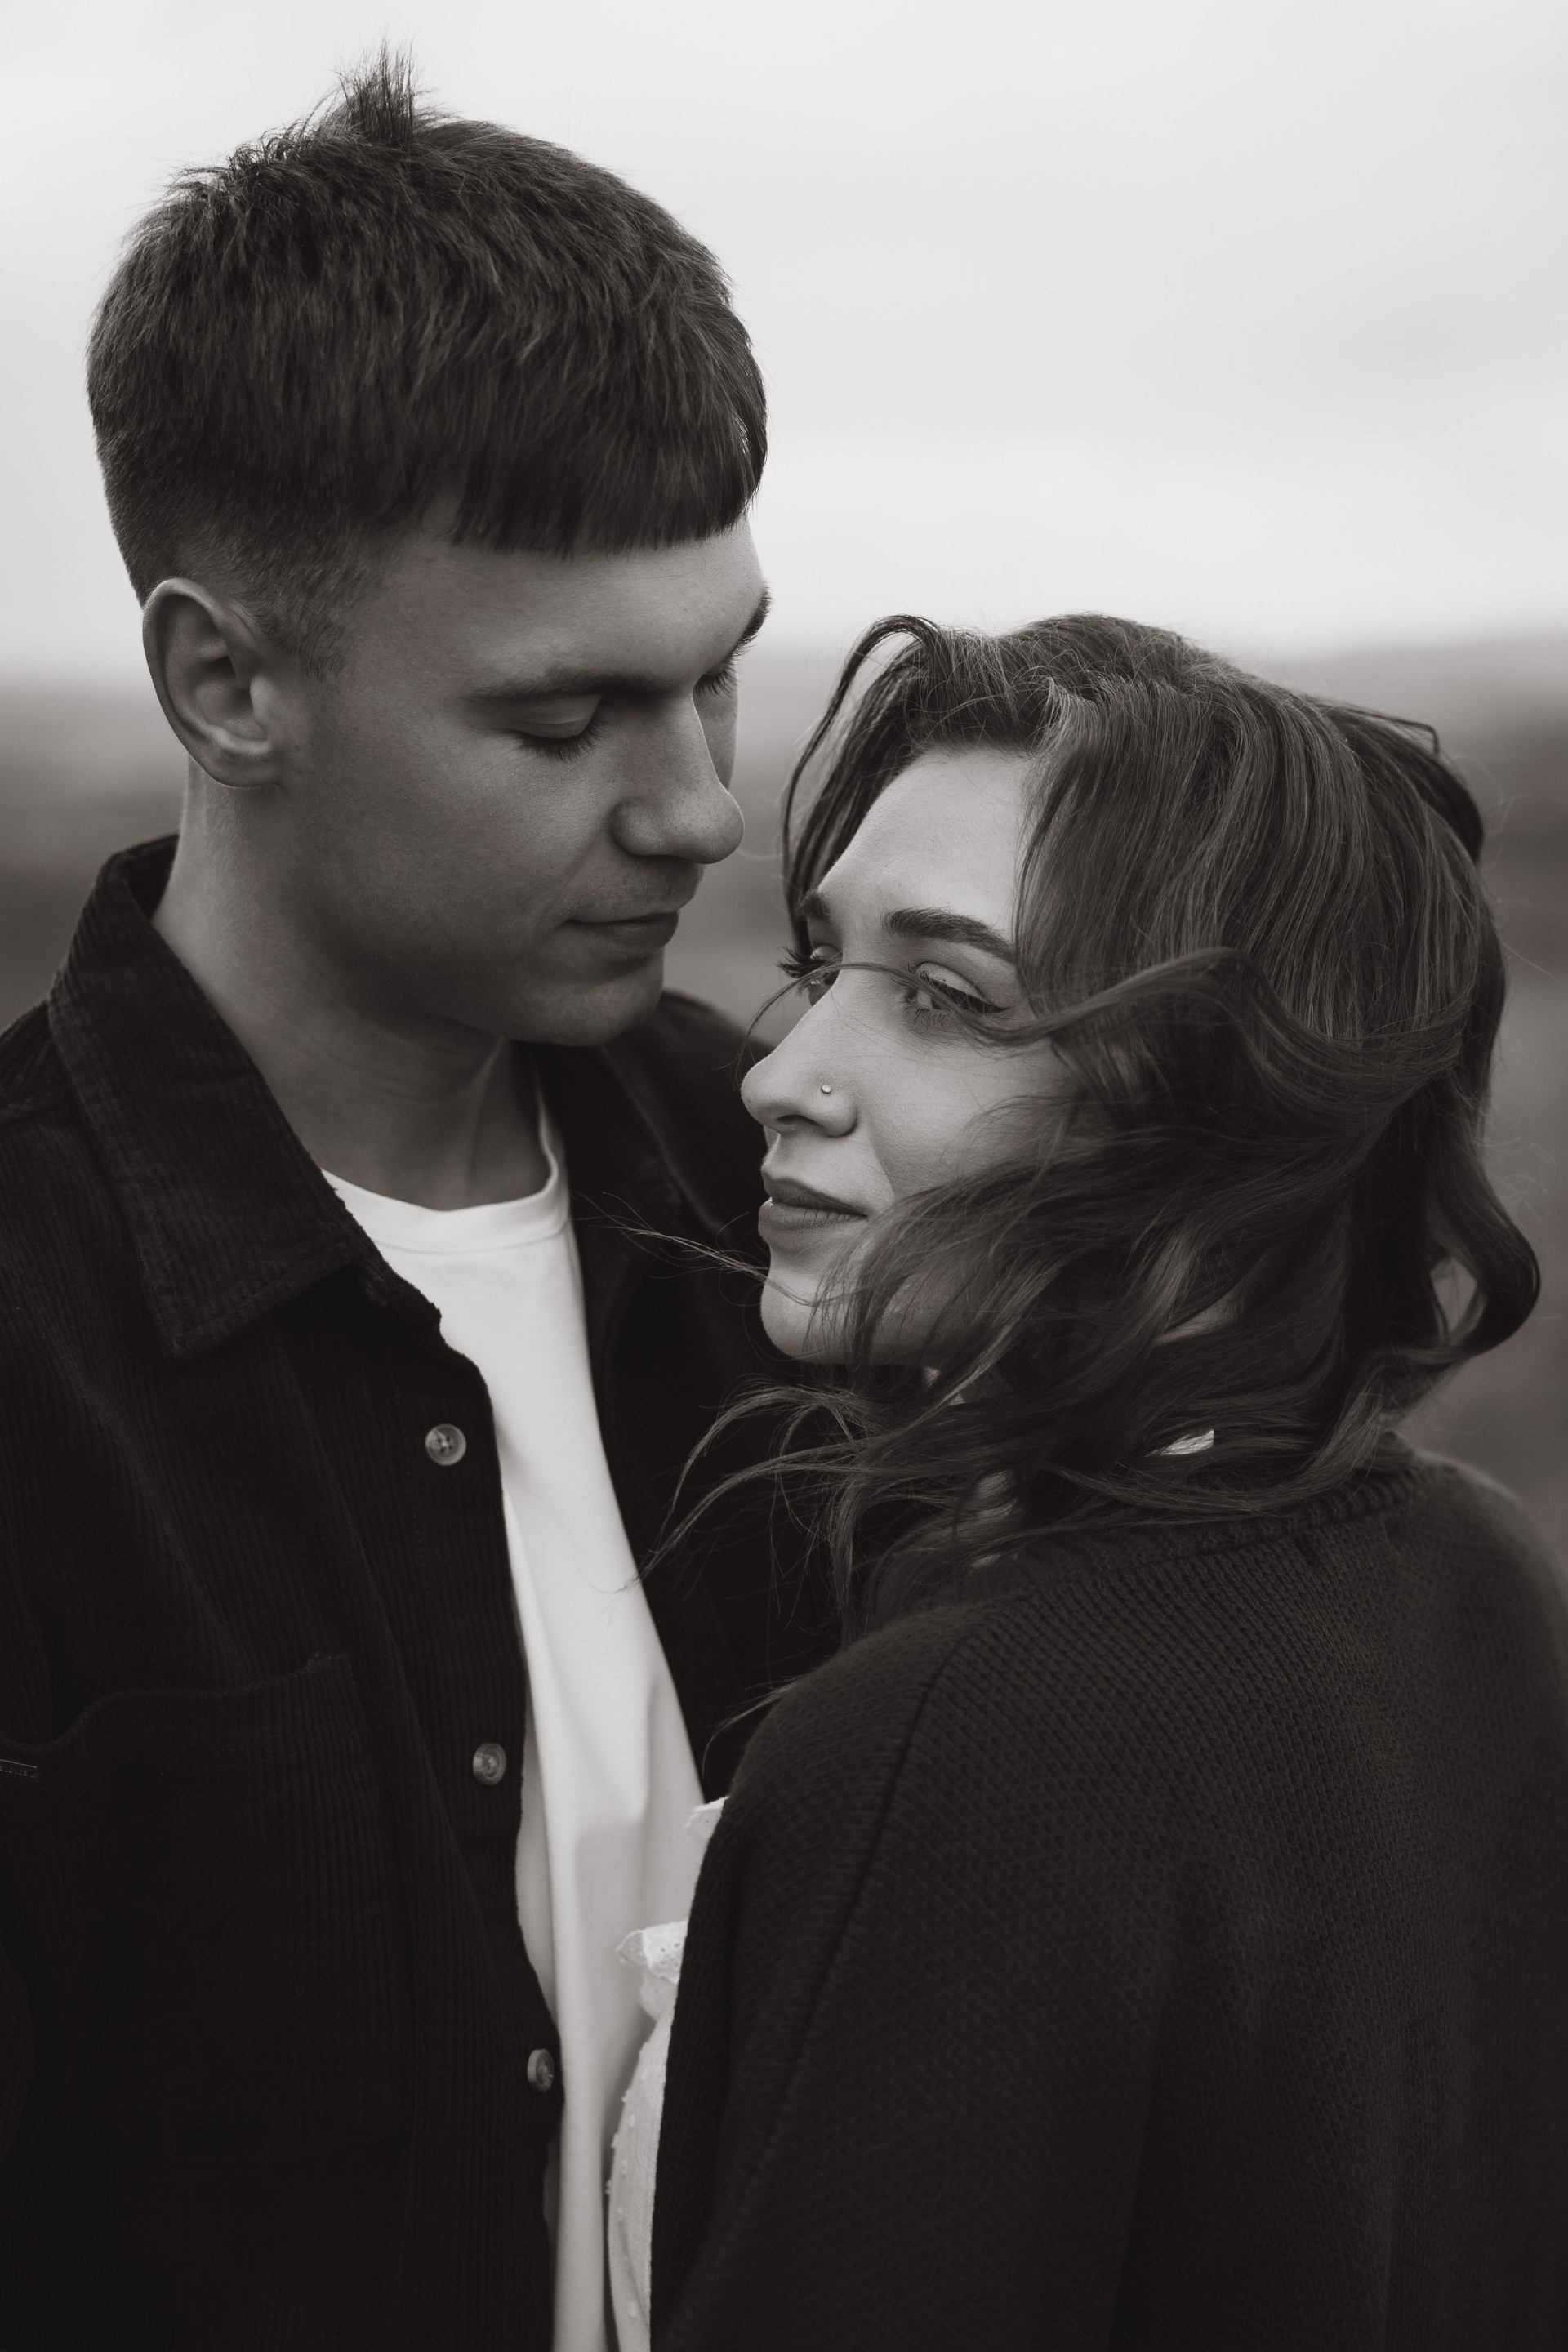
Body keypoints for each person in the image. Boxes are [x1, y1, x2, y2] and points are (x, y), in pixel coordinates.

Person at [0, 56, 829, 2352]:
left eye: (720, 679)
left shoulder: (797, 1190)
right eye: (564, 724)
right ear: (226, 683)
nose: (698, 808)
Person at [644, 614, 1568, 2348]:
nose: (780, 1077)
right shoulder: (1477, 1570)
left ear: (1231, 1092)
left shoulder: (966, 1738)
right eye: (818, 964)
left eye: (946, 999)